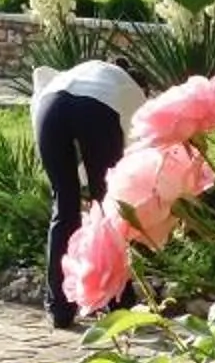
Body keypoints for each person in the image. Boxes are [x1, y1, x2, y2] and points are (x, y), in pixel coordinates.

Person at [29, 56, 145, 330]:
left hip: (49, 106)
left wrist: (75, 182)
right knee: (108, 211)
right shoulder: (132, 90)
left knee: (64, 206)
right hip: (94, 112)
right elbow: (135, 149)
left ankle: (59, 308)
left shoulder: (78, 72)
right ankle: (119, 303)